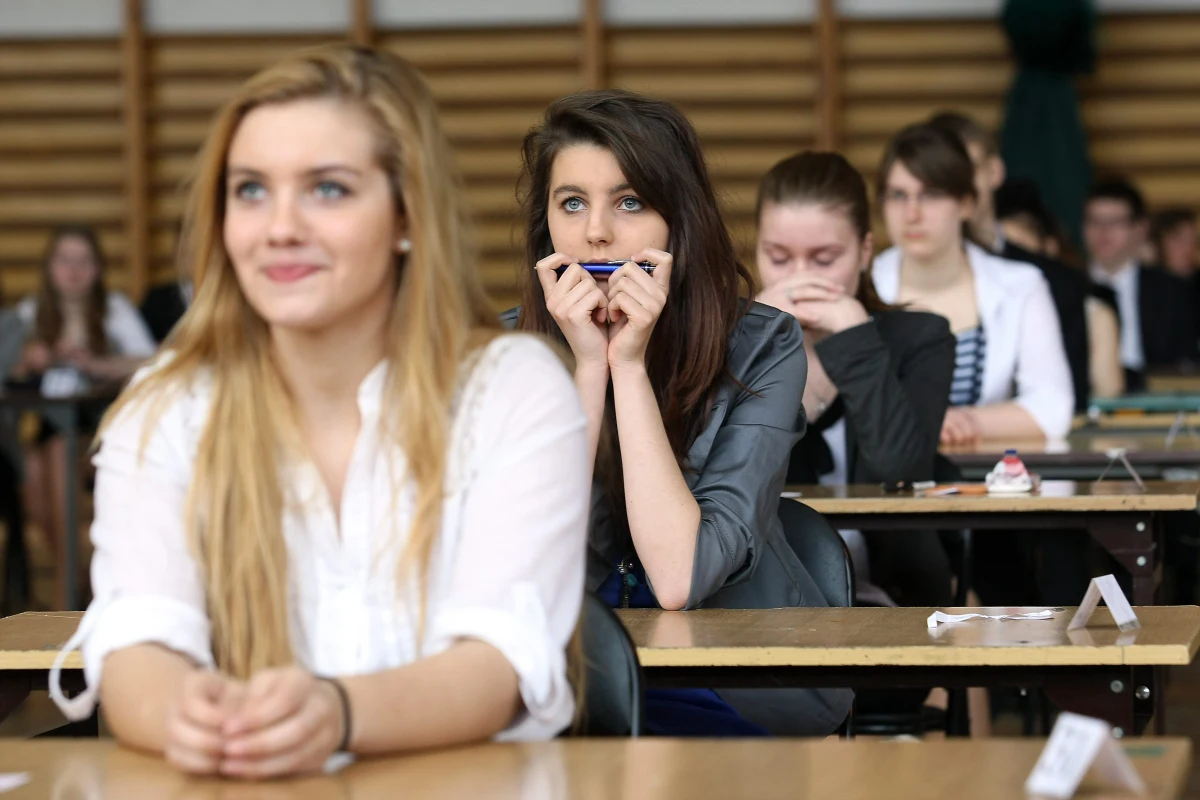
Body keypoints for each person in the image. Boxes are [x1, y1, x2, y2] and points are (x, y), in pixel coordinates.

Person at [49, 44, 590, 778]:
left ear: (407, 215)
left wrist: (334, 712)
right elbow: (138, 645)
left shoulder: (513, 390)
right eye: (250, 190)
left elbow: (498, 666)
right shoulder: (164, 408)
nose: (279, 227)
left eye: (327, 190)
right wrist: (192, 716)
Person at [511, 90, 852, 736]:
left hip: (734, 680)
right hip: (564, 687)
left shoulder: (763, 346)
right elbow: (529, 573)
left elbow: (678, 577)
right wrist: (586, 370)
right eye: (572, 203)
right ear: (545, 226)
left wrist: (628, 367)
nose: (596, 232)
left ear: (678, 219)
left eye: (630, 201)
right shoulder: (509, 355)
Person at [753, 151, 955, 611]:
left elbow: (899, 472)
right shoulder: (734, 341)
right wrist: (758, 341)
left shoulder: (921, 338)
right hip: (761, 593)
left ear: (865, 251)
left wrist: (857, 343)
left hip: (894, 598)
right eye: (778, 257)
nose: (800, 277)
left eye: (824, 259)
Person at [871, 123, 1074, 446]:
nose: (912, 213)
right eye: (898, 195)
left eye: (931, 195)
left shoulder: (1022, 285)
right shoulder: (860, 283)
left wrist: (963, 422)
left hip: (990, 483)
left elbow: (1053, 407)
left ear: (966, 203)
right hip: (875, 488)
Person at [9, 226, 157, 609]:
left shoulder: (114, 309)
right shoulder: (30, 314)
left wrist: (97, 364)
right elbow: (10, 365)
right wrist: (28, 359)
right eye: (65, 261)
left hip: (100, 432)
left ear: (97, 269)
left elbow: (154, 360)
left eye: (83, 262)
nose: (73, 271)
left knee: (57, 454)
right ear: (50, 268)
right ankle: (78, 581)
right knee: (31, 469)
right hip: (50, 430)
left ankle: (66, 597)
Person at [928, 112, 1091, 412]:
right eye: (940, 177)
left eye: (967, 170)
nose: (956, 186)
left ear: (995, 171)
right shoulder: (884, 279)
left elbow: (1070, 408)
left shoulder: (1057, 281)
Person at [995, 179, 1124, 398]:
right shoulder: (982, 309)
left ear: (1049, 249)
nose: (1011, 268)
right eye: (1002, 256)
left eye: (1022, 254)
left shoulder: (1095, 315)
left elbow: (1108, 400)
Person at [1084, 178, 1199, 391]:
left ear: (1140, 228)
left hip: (1159, 409)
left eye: (1115, 222)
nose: (1104, 232)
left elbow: (1187, 367)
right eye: (1095, 221)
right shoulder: (1067, 288)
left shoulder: (1173, 292)